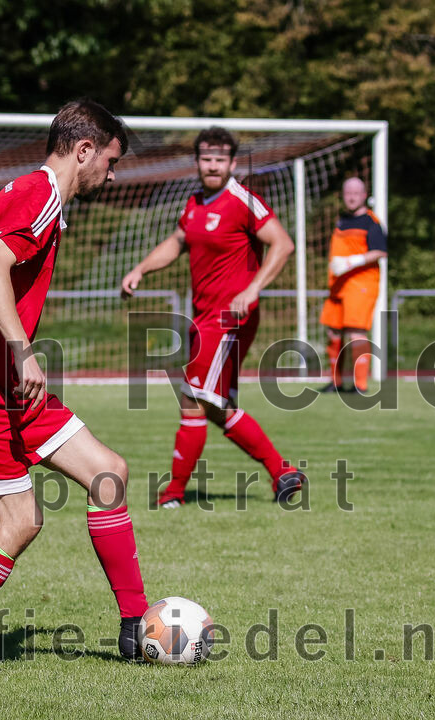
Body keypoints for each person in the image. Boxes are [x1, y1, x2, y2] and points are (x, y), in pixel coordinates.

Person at [0, 100, 149, 673]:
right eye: (111, 161)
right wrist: (19, 351)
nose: (111, 175)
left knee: (107, 473)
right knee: (20, 521)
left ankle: (135, 623)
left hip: (2, 385)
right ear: (85, 150)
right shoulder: (40, 194)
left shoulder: (29, 196)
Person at [121, 127, 305, 509]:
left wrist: (251, 290)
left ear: (233, 163)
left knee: (192, 399)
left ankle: (172, 494)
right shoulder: (195, 203)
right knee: (218, 407)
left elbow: (283, 244)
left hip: (229, 318)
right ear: (197, 161)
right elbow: (177, 242)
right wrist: (141, 269)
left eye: (220, 159)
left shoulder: (242, 199)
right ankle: (283, 472)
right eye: (206, 158)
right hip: (205, 318)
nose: (213, 165)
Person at [319, 178, 387, 394]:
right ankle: (336, 382)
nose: (351, 196)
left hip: (361, 284)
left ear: (364, 194)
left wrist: (351, 262)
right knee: (333, 332)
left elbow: (380, 251)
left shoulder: (371, 222)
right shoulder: (342, 221)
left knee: (356, 332)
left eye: (356, 192)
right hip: (338, 285)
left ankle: (360, 384)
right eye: (348, 192)